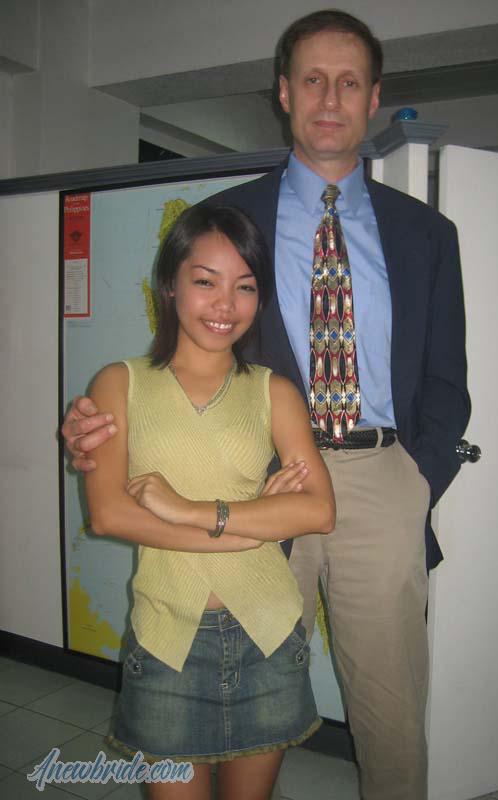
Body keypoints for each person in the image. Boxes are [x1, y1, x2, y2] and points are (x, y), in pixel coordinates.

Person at [63, 10, 470, 800]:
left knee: (390, 715)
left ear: (374, 98)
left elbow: (447, 380)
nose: (330, 98)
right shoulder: (230, 217)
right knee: (244, 700)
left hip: (379, 473)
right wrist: (103, 427)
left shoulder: (427, 233)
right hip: (252, 475)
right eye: (313, 79)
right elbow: (189, 352)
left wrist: (418, 479)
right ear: (284, 93)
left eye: (349, 82)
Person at [83, 203, 335, 800]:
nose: (226, 305)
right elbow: (110, 514)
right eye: (206, 281)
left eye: (245, 287)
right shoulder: (120, 383)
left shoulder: (274, 391)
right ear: (170, 284)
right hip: (166, 636)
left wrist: (192, 510)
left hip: (268, 633)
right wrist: (249, 529)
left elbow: (319, 510)